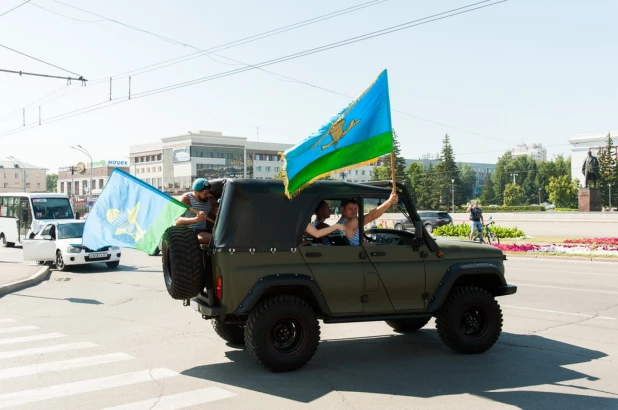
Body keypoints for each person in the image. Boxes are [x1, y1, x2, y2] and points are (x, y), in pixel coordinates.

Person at [174, 178, 218, 244]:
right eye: (205, 193)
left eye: (209, 192)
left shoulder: (211, 199)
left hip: (203, 230)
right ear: (196, 192)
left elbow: (216, 215)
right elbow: (177, 220)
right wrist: (197, 219)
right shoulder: (186, 198)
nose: (208, 195)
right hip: (189, 231)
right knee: (214, 240)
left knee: (220, 239)